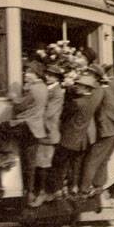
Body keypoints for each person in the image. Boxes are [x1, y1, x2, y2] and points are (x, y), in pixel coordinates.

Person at [0, 61, 48, 205]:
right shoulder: (43, 87)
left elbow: (20, 106)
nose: (26, 75)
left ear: (35, 74)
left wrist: (12, 98)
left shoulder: (33, 89)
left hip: (24, 125)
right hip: (36, 129)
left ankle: (6, 155)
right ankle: (30, 193)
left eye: (29, 72)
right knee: (29, 162)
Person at [80, 63, 114, 196]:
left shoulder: (102, 88)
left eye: (90, 74)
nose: (88, 76)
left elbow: (91, 107)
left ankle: (84, 189)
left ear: (97, 76)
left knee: (93, 158)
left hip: (109, 128)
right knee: (103, 158)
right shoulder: (112, 85)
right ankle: (98, 186)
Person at [51, 74, 104, 197]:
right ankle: (73, 187)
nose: (77, 87)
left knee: (60, 163)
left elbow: (63, 115)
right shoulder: (92, 101)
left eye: (80, 86)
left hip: (69, 138)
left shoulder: (76, 102)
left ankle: (57, 189)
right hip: (82, 140)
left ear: (87, 88)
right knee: (76, 164)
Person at [30, 65, 66, 207]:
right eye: (47, 74)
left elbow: (49, 113)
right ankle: (44, 192)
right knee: (40, 163)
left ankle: (44, 193)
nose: (48, 77)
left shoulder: (57, 92)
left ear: (57, 78)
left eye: (51, 75)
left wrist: (34, 116)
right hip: (42, 131)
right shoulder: (47, 88)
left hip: (48, 132)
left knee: (43, 164)